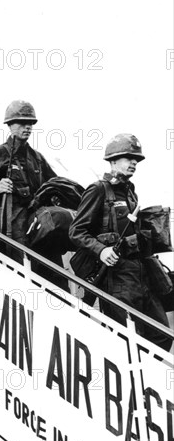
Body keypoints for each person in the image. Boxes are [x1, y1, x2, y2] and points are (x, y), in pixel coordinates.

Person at [69, 133, 171, 351]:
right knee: (127, 339)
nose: (134, 162)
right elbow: (76, 231)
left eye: (136, 159)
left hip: (141, 273)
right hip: (117, 277)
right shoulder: (98, 189)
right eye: (128, 157)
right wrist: (101, 250)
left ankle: (144, 382)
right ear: (113, 160)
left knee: (162, 334)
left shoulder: (131, 192)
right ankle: (132, 384)